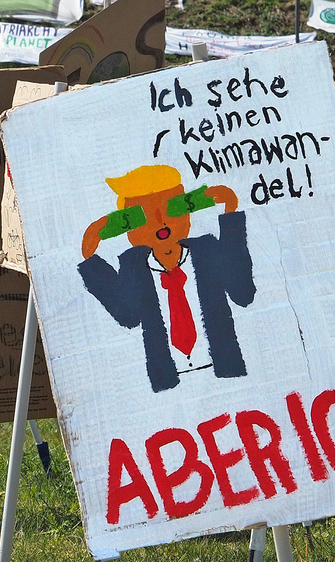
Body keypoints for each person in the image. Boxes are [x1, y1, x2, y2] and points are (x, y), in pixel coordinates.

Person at [78, 164, 254, 393]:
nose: (161, 222)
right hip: (168, 382)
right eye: (146, 215)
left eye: (171, 209)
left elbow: (243, 293)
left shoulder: (207, 250)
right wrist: (91, 259)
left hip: (226, 371)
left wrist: (230, 214)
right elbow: (127, 316)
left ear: (188, 213)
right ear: (130, 230)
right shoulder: (133, 267)